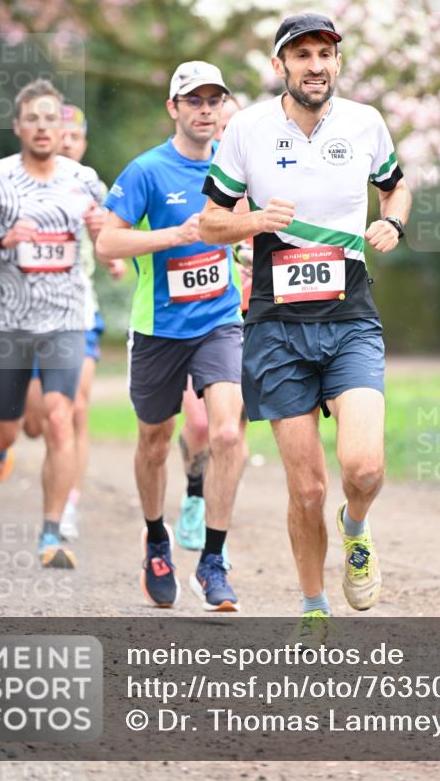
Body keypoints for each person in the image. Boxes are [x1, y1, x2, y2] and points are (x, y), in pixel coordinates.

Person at [199, 13, 411, 626]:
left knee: (364, 468)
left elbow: (395, 187)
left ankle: (356, 527)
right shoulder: (247, 129)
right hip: (276, 328)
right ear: (280, 65)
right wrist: (255, 220)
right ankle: (314, 606)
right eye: (302, 55)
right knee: (308, 487)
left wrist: (392, 222)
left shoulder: (365, 123)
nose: (315, 66)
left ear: (336, 63)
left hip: (350, 320)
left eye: (324, 54)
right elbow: (210, 223)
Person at [97, 61, 245, 612]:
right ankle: (157, 541)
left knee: (226, 434)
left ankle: (213, 560)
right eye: (193, 100)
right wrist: (171, 236)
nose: (205, 110)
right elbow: (107, 244)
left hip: (220, 320)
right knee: (155, 440)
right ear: (173, 108)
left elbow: (247, 227)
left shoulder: (234, 169)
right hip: (158, 328)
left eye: (213, 100)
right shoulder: (146, 171)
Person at [0, 80, 105, 569]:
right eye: (32, 118)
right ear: (18, 126)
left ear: (61, 127)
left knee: (59, 416)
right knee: (6, 430)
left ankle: (52, 533)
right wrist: (1, 241)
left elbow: (109, 233)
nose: (41, 127)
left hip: (66, 319)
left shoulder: (84, 179)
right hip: (7, 324)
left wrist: (103, 232)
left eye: (50, 118)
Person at [22, 104, 126, 540]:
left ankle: (68, 502)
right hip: (29, 316)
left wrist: (113, 258)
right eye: (60, 134)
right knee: (34, 421)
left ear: (83, 143)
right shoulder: (24, 181)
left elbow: (108, 237)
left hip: (79, 312)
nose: (66, 142)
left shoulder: (90, 185)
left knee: (73, 409)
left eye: (74, 136)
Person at [174, 93, 249, 553]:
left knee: (231, 432)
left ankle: (218, 525)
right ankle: (193, 493)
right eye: (221, 126)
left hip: (254, 318)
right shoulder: (189, 179)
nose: (225, 134)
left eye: (234, 128)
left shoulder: (260, 181)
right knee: (200, 425)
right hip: (199, 319)